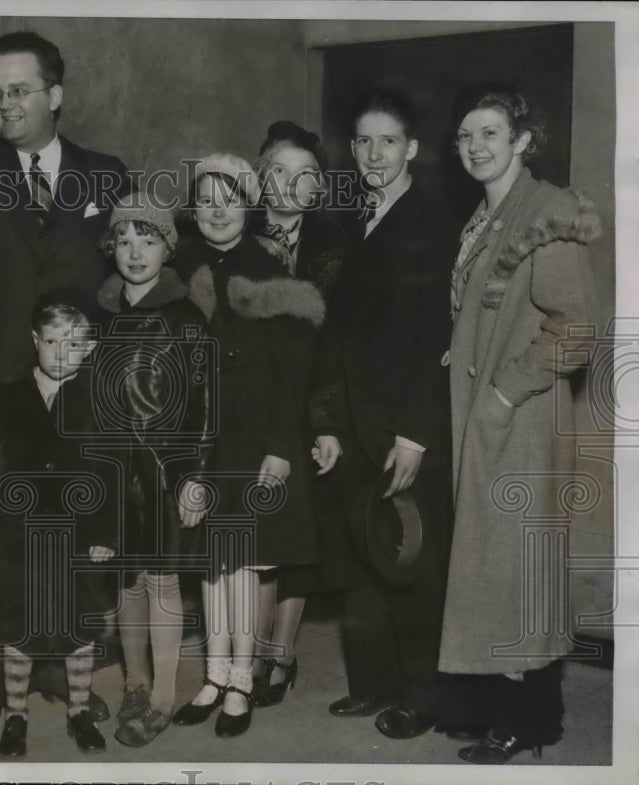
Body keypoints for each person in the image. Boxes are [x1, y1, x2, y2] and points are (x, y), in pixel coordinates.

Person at [0, 30, 129, 745]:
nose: (2, 104)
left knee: (73, 543)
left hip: (80, 406)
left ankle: (57, 672)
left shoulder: (106, 174)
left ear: (55, 95)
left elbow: (122, 288)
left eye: (18, 89)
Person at [440, 84, 600, 764]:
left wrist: (505, 390)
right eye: (466, 135)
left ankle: (529, 721)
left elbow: (578, 329)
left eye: (490, 134)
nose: (475, 145)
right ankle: (509, 712)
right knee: (493, 567)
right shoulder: (487, 213)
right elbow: (488, 310)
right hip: (486, 418)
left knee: (513, 569)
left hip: (522, 420)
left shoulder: (550, 210)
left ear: (523, 140)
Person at [316, 88, 456, 740]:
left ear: (413, 150)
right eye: (364, 141)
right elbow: (338, 333)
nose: (374, 154)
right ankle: (372, 683)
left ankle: (421, 697)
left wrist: (414, 434)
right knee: (364, 560)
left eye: (388, 141)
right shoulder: (355, 217)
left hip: (405, 431)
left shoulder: (430, 223)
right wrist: (328, 423)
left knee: (412, 566)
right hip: (354, 427)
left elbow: (435, 340)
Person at [171, 154, 325, 738]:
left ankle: (242, 678)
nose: (215, 209)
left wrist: (283, 447)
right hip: (208, 436)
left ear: (248, 205)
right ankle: (213, 675)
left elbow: (295, 375)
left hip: (257, 435)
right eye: (205, 198)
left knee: (248, 563)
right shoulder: (186, 267)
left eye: (227, 198)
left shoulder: (270, 272)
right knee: (213, 562)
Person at [0, 289, 117, 759]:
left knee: (77, 623)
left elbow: (111, 470)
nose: (61, 353)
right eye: (50, 341)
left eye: (73, 343)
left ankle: (79, 711)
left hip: (81, 532)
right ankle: (16, 715)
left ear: (88, 347)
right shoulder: (10, 393)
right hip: (21, 532)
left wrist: (106, 534)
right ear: (34, 341)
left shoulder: (97, 396)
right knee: (18, 621)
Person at [94, 194, 213, 746]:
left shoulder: (186, 317)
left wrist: (195, 475)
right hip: (116, 474)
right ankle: (134, 684)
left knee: (164, 580)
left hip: (166, 472)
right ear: (110, 248)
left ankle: (164, 693)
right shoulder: (101, 315)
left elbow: (204, 404)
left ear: (168, 249)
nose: (135, 252)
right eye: (124, 241)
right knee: (127, 580)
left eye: (148, 241)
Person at [251, 121, 347, 708]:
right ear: (262, 178)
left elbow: (337, 341)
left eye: (305, 175)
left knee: (297, 535)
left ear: (318, 187)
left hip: (310, 401)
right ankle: (245, 650)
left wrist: (327, 420)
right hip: (250, 401)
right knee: (253, 531)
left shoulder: (334, 242)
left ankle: (281, 654)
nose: (291, 184)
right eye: (280, 172)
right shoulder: (233, 228)